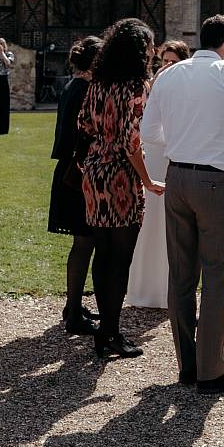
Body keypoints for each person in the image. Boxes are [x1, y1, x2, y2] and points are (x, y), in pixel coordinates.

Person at [142, 15, 224, 394]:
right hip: (217, 178)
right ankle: (211, 371)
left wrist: (185, 136)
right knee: (217, 275)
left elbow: (149, 132)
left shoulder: (168, 74)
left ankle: (187, 364)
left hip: (177, 175)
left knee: (181, 274)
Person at [77, 19, 166, 360]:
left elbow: (83, 124)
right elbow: (132, 140)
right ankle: (111, 333)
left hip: (95, 169)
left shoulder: (97, 82)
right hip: (121, 175)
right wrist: (146, 180)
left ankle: (105, 331)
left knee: (103, 254)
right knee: (121, 257)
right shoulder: (137, 86)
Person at [127, 40, 188, 310]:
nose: (166, 67)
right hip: (150, 159)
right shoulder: (148, 87)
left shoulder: (185, 91)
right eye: (164, 61)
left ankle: (166, 290)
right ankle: (140, 289)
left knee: (170, 227)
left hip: (172, 158)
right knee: (146, 224)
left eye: (173, 62)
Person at [49, 36, 104, 333]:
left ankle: (73, 304)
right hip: (78, 172)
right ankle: (73, 314)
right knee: (85, 242)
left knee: (82, 242)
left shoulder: (73, 85)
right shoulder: (86, 89)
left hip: (68, 170)